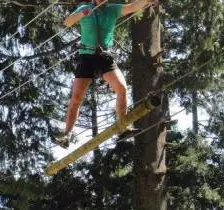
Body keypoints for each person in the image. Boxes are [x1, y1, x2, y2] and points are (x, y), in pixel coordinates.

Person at [54, 0, 158, 148]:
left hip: (104, 57)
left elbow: (132, 7)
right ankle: (66, 135)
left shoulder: (112, 10)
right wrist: (80, 15)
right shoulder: (85, 8)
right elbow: (67, 22)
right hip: (86, 57)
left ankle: (123, 127)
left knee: (122, 88)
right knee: (76, 97)